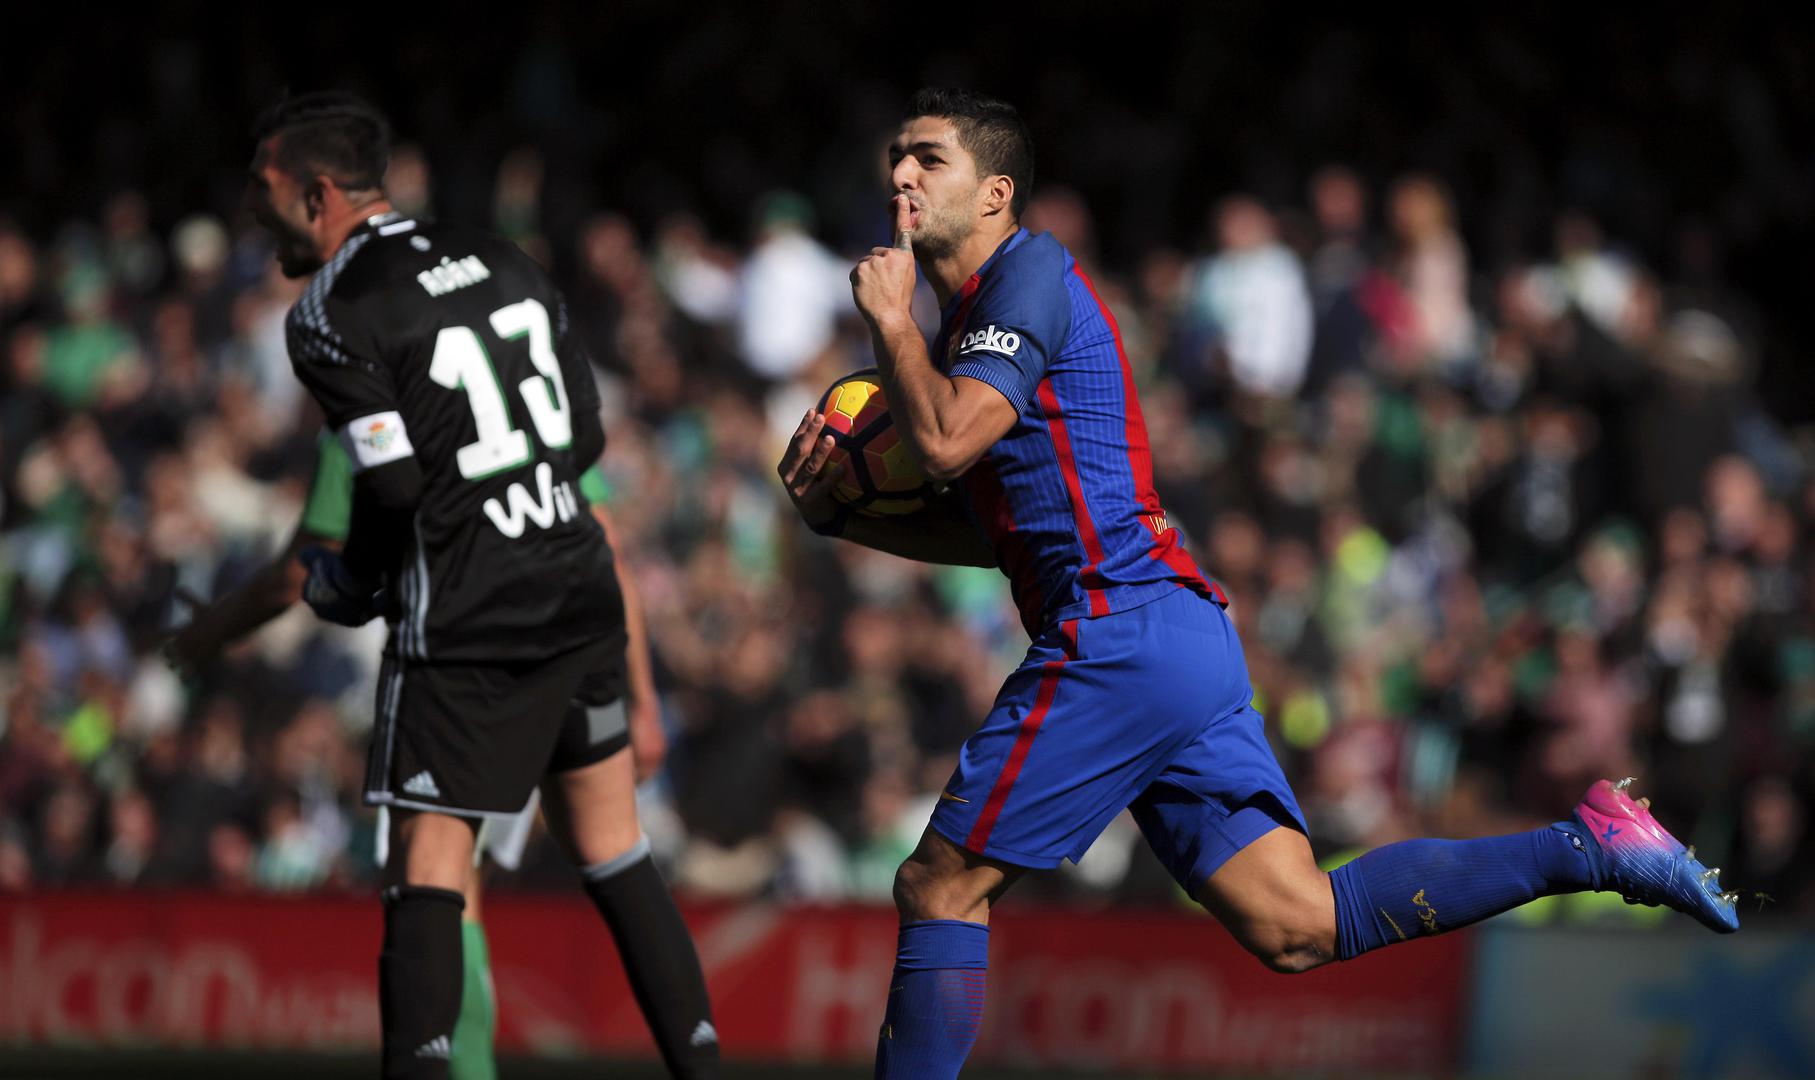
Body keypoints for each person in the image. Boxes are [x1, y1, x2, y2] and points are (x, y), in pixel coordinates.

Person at [776, 88, 1740, 1080]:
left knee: (940, 887)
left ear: (994, 194)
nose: (901, 174)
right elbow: (1005, 534)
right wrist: (845, 517)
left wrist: (889, 321)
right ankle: (1590, 848)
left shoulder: (1021, 278)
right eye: (897, 157)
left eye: (928, 158)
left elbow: (941, 443)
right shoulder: (974, 328)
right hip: (1173, 632)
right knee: (1299, 923)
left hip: (1118, 630)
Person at [245, 91, 717, 1079]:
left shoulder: (332, 311)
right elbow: (583, 437)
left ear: (316, 195)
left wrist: (352, 582)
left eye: (266, 192)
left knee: (426, 870)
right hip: (576, 588)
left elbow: (391, 483)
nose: (258, 213)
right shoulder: (503, 259)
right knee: (617, 853)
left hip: (466, 620)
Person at [166, 435, 668, 1080]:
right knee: (481, 884)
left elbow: (300, 570)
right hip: (552, 665)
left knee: (436, 887)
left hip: (454, 677)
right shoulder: (532, 388)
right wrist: (642, 698)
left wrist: (213, 629)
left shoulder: (361, 414)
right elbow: (606, 544)